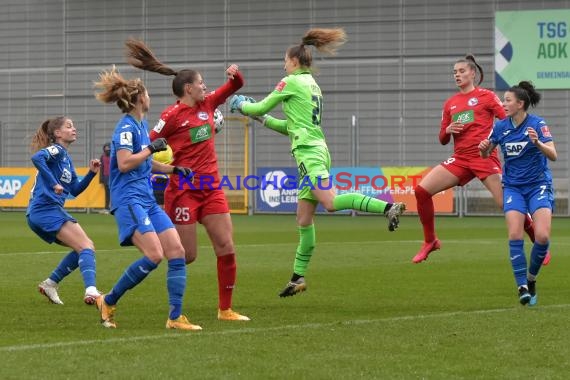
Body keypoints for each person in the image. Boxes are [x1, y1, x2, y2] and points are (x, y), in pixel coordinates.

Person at [229, 28, 406, 297]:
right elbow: (290, 126)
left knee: (331, 202)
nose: (283, 64)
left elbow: (260, 106)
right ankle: (297, 278)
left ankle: (388, 207)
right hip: (314, 149)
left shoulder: (289, 82)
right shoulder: (311, 84)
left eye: (285, 60)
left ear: (294, 61)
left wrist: (242, 104)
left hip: (309, 154)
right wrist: (260, 118)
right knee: (303, 218)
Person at [125, 38, 250, 321]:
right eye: (201, 82)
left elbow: (236, 86)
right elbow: (144, 147)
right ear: (188, 88)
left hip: (211, 188)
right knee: (186, 255)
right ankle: (149, 241)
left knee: (226, 246)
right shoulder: (171, 116)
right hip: (183, 191)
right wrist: (138, 159)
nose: (205, 86)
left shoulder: (208, 104)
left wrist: (235, 74)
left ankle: (225, 309)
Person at [411, 54, 551, 265]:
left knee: (508, 204)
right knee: (421, 191)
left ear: (473, 73)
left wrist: (522, 143)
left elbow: (509, 121)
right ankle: (430, 241)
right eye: (455, 72)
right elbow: (442, 139)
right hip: (460, 159)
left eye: (462, 71)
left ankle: (536, 240)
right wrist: (447, 130)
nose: (457, 75)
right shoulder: (450, 104)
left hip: (484, 158)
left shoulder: (486, 96)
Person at [93, 65, 200, 330]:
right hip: (129, 200)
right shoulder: (126, 128)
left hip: (146, 199)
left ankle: (175, 318)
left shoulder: (140, 125)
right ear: (140, 98)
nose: (150, 98)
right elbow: (126, 163)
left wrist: (175, 169)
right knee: (154, 255)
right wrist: (151, 147)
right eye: (148, 94)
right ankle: (108, 300)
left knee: (176, 251)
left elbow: (146, 163)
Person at [479, 81, 556, 306]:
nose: (503, 104)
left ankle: (531, 280)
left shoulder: (538, 124)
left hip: (538, 185)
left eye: (507, 100)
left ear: (520, 104)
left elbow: (553, 155)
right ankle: (521, 286)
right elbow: (486, 155)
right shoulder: (501, 127)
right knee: (515, 235)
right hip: (513, 187)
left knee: (542, 237)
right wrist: (484, 149)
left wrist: (538, 143)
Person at [27, 116, 102, 305]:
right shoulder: (57, 150)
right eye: (69, 126)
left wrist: (91, 174)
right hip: (45, 209)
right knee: (85, 246)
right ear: (58, 133)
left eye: (74, 126)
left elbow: (75, 190)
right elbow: (37, 157)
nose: (74, 129)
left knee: (84, 248)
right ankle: (91, 290)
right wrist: (53, 183)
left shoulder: (65, 159)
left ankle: (50, 284)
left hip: (44, 212)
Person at [99, 142, 111, 213]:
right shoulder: (102, 157)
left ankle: (113, 208)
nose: (107, 150)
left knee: (114, 193)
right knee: (107, 194)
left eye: (108, 149)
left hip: (113, 177)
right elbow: (101, 168)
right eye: (106, 149)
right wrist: (101, 178)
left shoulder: (113, 156)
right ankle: (106, 208)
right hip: (105, 177)